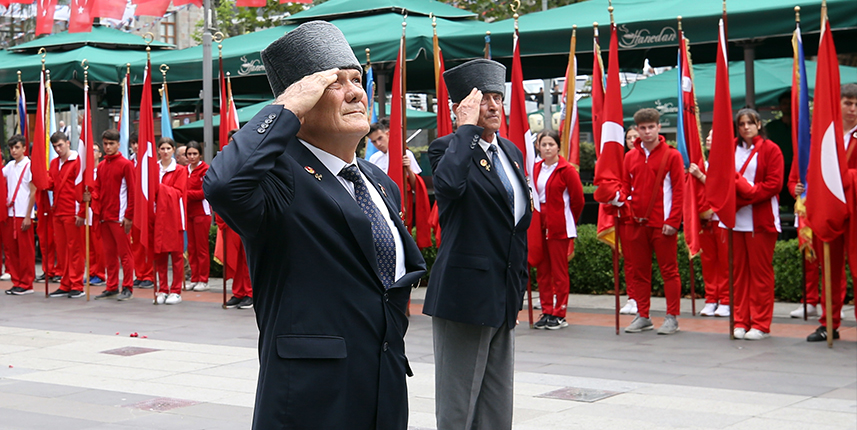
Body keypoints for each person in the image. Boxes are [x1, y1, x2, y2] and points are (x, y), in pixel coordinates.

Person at [203, 21, 426, 429]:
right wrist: (285, 107)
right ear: (302, 104)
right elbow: (223, 185)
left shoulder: (380, 183)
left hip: (384, 390)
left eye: (356, 79)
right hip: (311, 400)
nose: (355, 92)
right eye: (334, 83)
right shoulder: (278, 176)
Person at [426, 59, 532, 430]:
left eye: (497, 98)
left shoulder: (512, 152)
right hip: (465, 296)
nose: (493, 106)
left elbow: (517, 224)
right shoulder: (447, 149)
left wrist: (517, 288)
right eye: (482, 99)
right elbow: (449, 186)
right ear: (461, 108)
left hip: (503, 294)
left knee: (497, 405)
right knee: (458, 407)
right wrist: (465, 130)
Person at [614, 108, 684, 335]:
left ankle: (672, 317)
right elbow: (625, 188)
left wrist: (673, 220)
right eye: (643, 128)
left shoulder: (672, 155)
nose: (647, 132)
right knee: (639, 272)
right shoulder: (629, 157)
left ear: (658, 127)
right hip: (635, 223)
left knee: (669, 271)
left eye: (651, 127)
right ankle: (643, 315)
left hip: (662, 224)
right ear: (637, 129)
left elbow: (679, 191)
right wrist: (616, 198)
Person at [799, 83, 857, 342]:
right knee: (830, 269)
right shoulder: (826, 136)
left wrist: (846, 177)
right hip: (829, 207)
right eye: (848, 103)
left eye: (856, 104)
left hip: (855, 208)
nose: (853, 109)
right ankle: (828, 324)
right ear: (839, 104)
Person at [729, 108, 783, 341]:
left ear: (759, 124)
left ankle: (760, 323)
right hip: (735, 220)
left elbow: (774, 184)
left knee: (760, 274)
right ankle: (741, 320)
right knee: (739, 274)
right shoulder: (729, 148)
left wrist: (747, 194)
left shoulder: (771, 149)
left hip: (761, 220)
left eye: (750, 123)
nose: (746, 128)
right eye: (741, 124)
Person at [532, 130, 585, 330]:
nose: (547, 148)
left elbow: (578, 200)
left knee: (559, 271)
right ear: (538, 147)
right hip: (539, 223)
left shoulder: (567, 170)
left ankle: (560, 312)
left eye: (551, 144)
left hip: (559, 224)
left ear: (558, 146)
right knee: (542, 270)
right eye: (543, 144)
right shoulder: (535, 168)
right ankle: (546, 310)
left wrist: (567, 219)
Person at [689, 130, 731, 317]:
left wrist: (700, 176)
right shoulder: (703, 163)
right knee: (708, 261)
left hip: (722, 219)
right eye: (708, 136)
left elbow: (722, 187)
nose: (707, 139)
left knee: (725, 261)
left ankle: (726, 300)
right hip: (705, 220)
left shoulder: (727, 163)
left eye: (713, 136)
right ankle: (711, 298)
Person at [92, 130, 136, 301]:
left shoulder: (126, 165)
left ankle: (127, 286)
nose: (108, 147)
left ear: (118, 144)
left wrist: (129, 216)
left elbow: (132, 192)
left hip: (120, 217)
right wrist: (90, 196)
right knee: (109, 254)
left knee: (125, 254)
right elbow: (97, 188)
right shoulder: (101, 166)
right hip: (105, 216)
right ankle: (111, 286)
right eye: (105, 144)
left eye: (111, 144)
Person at [218, 129, 254, 309]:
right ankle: (238, 292)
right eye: (231, 141)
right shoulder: (224, 163)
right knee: (235, 257)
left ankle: (250, 292)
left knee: (247, 257)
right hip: (230, 217)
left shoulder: (252, 160)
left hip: (247, 216)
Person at [47, 132, 85, 298]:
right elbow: (51, 184)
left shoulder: (77, 161)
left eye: (60, 145)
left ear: (68, 143)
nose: (58, 149)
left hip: (72, 211)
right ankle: (66, 282)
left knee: (75, 249)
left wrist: (81, 212)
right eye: (55, 146)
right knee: (62, 250)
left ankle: (77, 284)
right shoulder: (54, 163)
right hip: (58, 211)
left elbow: (83, 188)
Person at [152, 137, 187, 305]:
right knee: (160, 255)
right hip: (157, 217)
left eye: (168, 148)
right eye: (162, 148)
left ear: (173, 150)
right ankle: (163, 288)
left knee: (176, 255)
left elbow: (178, 192)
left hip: (174, 217)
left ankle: (176, 290)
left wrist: (158, 188)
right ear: (158, 150)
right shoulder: (153, 169)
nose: (165, 152)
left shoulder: (179, 170)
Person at [3, 135, 37, 295]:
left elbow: (33, 192)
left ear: (24, 148)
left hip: (23, 213)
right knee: (12, 249)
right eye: (11, 148)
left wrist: (28, 215)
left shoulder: (29, 165)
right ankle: (17, 281)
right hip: (10, 213)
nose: (13, 151)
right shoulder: (10, 166)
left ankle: (27, 283)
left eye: (17, 147)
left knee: (25, 250)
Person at [127, 132, 154, 289]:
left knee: (147, 242)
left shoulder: (149, 162)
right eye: (133, 143)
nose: (136, 146)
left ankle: (149, 274)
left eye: (138, 142)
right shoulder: (129, 163)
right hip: (133, 207)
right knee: (135, 242)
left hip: (146, 207)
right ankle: (140, 273)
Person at [184, 140, 211, 292]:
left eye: (195, 153)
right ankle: (194, 278)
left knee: (201, 247)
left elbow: (203, 193)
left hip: (202, 212)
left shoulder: (205, 170)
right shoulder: (184, 170)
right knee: (191, 247)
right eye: (189, 154)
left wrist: (185, 194)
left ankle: (203, 279)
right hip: (188, 212)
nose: (192, 157)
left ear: (200, 155)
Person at [366, 118, 422, 188]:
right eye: (374, 141)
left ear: (387, 134)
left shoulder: (405, 154)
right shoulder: (373, 158)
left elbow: (416, 186)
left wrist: (409, 169)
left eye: (380, 138)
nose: (378, 143)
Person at [764, 91, 795, 209]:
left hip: (796, 169)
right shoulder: (771, 127)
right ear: (780, 106)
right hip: (777, 169)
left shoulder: (801, 126)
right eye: (784, 103)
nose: (787, 106)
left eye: (790, 103)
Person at [85, 142, 106, 286]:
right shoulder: (84, 172)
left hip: (98, 212)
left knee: (99, 246)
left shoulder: (101, 170)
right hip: (87, 212)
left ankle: (100, 273)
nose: (91, 153)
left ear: (100, 154)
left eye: (94, 150)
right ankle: (91, 272)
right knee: (90, 246)